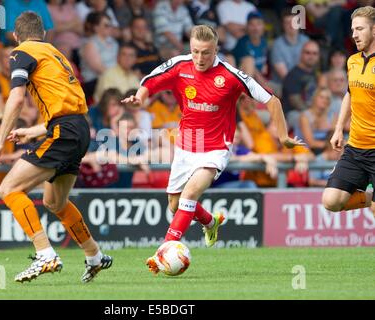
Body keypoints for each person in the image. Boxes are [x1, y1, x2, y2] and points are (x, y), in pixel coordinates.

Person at [122, 24, 304, 274]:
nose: (199, 58)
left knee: (189, 196)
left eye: (206, 53)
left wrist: (283, 136)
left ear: (216, 49)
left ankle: (162, 252)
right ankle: (210, 221)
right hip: (187, 144)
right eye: (195, 51)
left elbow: (272, 100)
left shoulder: (230, 75)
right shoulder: (179, 65)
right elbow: (151, 82)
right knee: (175, 206)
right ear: (190, 48)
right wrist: (140, 98)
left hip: (216, 147)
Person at [0, 11, 112, 284]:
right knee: (55, 201)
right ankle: (95, 255)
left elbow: (17, 98)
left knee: (9, 189)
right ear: (42, 34)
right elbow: (66, 108)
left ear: (16, 36)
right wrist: (33, 130)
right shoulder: (55, 53)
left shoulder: (20, 52)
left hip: (64, 130)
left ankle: (45, 253)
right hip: (79, 128)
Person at [322, 6, 375, 214]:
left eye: (360, 29)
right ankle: (369, 198)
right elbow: (350, 93)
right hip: (355, 148)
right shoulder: (352, 60)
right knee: (331, 201)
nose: (354, 34)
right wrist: (338, 129)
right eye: (353, 29)